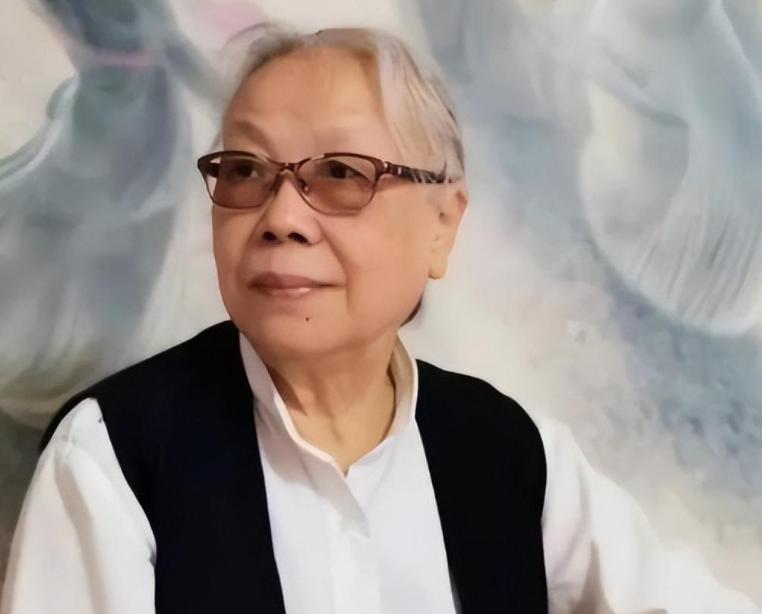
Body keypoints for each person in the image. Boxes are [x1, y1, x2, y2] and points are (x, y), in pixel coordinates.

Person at [1, 22, 759, 614]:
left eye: (340, 173)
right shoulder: (111, 461)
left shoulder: (510, 452)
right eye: (246, 171)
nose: (281, 217)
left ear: (442, 225)